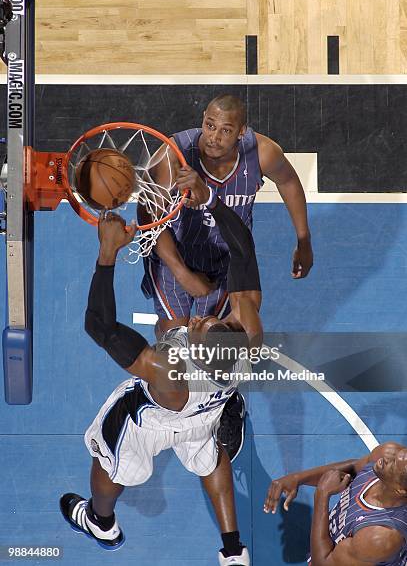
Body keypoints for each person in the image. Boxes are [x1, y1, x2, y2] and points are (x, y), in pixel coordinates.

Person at [60, 176, 263, 566]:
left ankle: (100, 521)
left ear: (198, 355)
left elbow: (98, 326)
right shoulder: (248, 338)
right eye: (212, 323)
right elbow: (243, 251)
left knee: (111, 465)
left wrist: (107, 253)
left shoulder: (166, 368)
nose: (202, 321)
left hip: (149, 420)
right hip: (204, 415)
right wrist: (212, 203)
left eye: (201, 330)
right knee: (210, 457)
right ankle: (234, 551)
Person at [140, 94, 314, 461]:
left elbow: (289, 182)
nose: (214, 137)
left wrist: (303, 238)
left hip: (227, 258)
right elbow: (147, 217)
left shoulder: (261, 153)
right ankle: (181, 411)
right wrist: (182, 273)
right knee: (172, 339)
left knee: (214, 347)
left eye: (226, 130)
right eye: (209, 126)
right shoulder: (173, 157)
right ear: (202, 120)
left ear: (241, 133)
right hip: (175, 254)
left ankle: (224, 403)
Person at [264, 442, 407, 565]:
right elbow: (354, 468)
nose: (388, 457)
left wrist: (322, 495)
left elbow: (322, 563)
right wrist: (298, 478)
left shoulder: (380, 536)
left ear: (400, 490)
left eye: (394, 464)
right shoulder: (386, 454)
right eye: (396, 455)